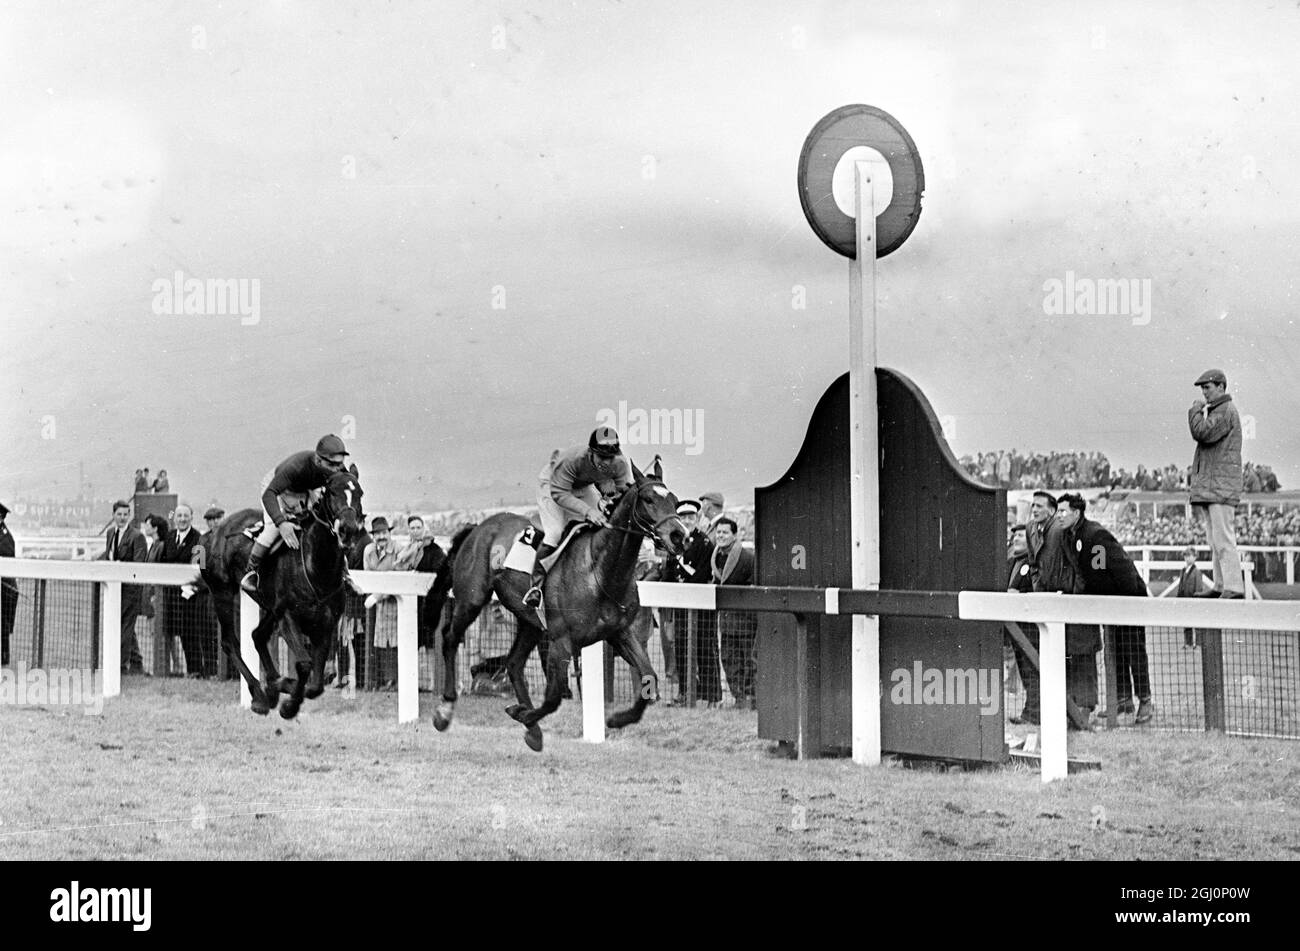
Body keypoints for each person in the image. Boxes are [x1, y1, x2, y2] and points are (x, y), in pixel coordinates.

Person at [1058, 493, 1154, 724]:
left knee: (1132, 649)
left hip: (1126, 598)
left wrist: (1124, 604)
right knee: (1114, 649)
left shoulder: (1095, 534)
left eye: (1062, 511)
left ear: (1076, 512)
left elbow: (1117, 570)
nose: (1058, 516)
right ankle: (1122, 701)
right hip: (1106, 603)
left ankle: (1146, 701)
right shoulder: (1070, 536)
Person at [523, 426, 632, 608]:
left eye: (610, 458)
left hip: (583, 486)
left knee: (604, 525)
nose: (606, 462)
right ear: (591, 453)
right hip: (553, 485)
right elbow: (560, 494)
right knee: (555, 532)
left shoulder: (620, 464)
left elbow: (624, 495)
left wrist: (609, 498)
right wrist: (588, 512)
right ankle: (536, 587)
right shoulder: (572, 459)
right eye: (601, 457)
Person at [241, 435, 351, 596]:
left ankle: (345, 576)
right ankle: (251, 572)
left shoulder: (336, 467)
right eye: (332, 464)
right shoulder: (296, 467)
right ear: (318, 460)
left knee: (327, 528)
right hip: (277, 488)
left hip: (306, 488)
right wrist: (281, 523)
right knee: (273, 529)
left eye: (339, 464)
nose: (336, 469)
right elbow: (269, 494)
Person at [1188, 368, 1244, 598]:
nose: (1204, 392)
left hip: (1220, 486)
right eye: (1202, 388)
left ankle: (1233, 587)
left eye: (1207, 387)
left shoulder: (1225, 411)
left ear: (1221, 386)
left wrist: (1194, 411)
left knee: (1223, 538)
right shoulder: (1219, 410)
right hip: (1215, 486)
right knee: (1215, 540)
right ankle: (1221, 585)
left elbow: (1202, 432)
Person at [662, 499, 722, 705]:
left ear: (696, 518)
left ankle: (712, 696)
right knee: (681, 649)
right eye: (684, 517)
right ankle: (685, 692)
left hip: (700, 605)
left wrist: (684, 579)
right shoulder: (674, 544)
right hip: (681, 605)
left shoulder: (704, 542)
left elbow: (704, 572)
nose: (687, 521)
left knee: (705, 649)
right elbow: (668, 573)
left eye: (691, 517)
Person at [98, 500, 148, 673]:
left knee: (125, 628)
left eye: (125, 514)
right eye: (119, 514)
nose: (122, 518)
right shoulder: (111, 533)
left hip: (130, 591)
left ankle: (120, 666)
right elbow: (108, 556)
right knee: (125, 628)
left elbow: (139, 564)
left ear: (130, 515)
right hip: (114, 589)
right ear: (113, 515)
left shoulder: (137, 536)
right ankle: (137, 664)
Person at [712, 517, 757, 708]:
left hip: (746, 620)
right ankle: (738, 697)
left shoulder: (748, 558)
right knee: (729, 659)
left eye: (725, 532)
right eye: (718, 532)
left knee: (748, 660)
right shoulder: (715, 557)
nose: (721, 536)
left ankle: (750, 698)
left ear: (734, 535)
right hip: (726, 620)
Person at [164, 504, 209, 677]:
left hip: (191, 596)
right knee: (173, 631)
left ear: (191, 517)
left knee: (190, 634)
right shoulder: (168, 537)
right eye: (179, 516)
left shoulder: (199, 539)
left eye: (185, 516)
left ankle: (195, 670)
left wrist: (190, 590)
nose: (182, 519)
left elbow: (200, 568)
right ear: (175, 518)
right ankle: (173, 670)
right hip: (171, 595)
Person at [1004, 523, 1039, 725]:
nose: (1016, 539)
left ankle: (1034, 712)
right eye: (1014, 536)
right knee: (1024, 670)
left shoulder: (1032, 563)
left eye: (1020, 536)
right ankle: (1031, 710)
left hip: (1029, 625)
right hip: (1015, 626)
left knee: (1032, 667)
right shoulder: (1012, 563)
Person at [363, 516, 399, 689]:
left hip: (396, 603)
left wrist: (378, 595)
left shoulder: (398, 550)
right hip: (378, 605)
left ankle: (396, 680)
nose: (381, 537)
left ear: (389, 533)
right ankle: (386, 680)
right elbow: (367, 577)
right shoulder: (369, 551)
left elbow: (399, 579)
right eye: (377, 534)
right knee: (381, 641)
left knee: (395, 641)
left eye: (384, 533)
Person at [141, 514, 172, 675]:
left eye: (147, 525)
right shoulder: (154, 545)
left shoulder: (160, 546)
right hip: (151, 596)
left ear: (155, 528)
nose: (145, 528)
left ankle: (163, 668)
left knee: (161, 634)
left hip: (157, 597)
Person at [1175, 546, 1209, 648]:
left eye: (1190, 556)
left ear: (1195, 557)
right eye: (1186, 556)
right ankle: (1188, 642)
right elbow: (1181, 586)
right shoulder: (1183, 571)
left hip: (1193, 600)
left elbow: (1198, 588)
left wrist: (1196, 599)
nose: (1187, 558)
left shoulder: (1197, 572)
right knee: (1186, 622)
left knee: (1196, 621)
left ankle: (1198, 643)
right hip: (1184, 600)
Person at [0, 501, 16, 667]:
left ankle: (4, 658)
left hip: (5, 588)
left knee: (2, 624)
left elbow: (7, 558)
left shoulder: (5, 537)